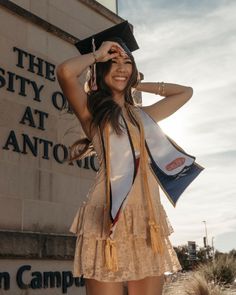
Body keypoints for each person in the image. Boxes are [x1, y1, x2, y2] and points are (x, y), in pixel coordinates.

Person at [56, 21, 203, 295]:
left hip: (146, 219)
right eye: (113, 62)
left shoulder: (143, 117)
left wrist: (137, 82)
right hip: (107, 217)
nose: (121, 67)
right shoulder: (92, 114)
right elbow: (65, 72)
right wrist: (97, 54)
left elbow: (185, 92)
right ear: (100, 69)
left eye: (127, 62)